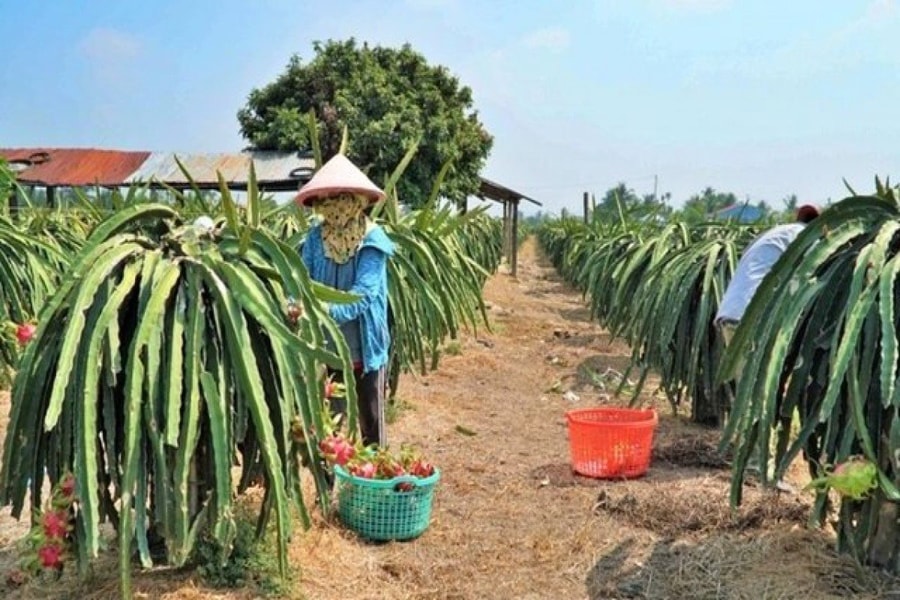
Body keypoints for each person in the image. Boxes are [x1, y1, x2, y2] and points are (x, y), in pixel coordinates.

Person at [296, 153, 395, 447]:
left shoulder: (373, 240)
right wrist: (294, 305)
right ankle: (329, 477)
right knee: (329, 426)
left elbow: (364, 294)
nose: (334, 206)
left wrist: (324, 311)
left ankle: (375, 473)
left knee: (371, 423)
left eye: (341, 198)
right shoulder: (315, 239)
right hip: (326, 348)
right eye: (327, 200)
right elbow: (301, 279)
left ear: (357, 201)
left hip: (364, 347)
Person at [714, 204, 820, 342]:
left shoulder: (775, 234)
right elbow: (813, 270)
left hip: (731, 313)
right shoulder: (808, 236)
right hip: (754, 318)